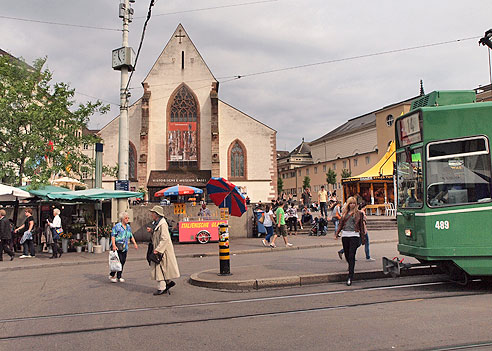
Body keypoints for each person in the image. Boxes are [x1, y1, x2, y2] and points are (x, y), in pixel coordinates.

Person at [148, 205, 180, 295]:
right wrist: (152, 231)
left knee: (160, 268)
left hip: (162, 251)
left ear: (157, 214)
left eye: (153, 213)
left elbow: (165, 238)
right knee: (162, 268)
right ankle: (168, 282)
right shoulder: (158, 223)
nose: (151, 215)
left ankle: (162, 287)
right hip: (161, 249)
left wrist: (158, 249)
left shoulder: (162, 224)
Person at [335, 197, 366, 286]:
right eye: (351, 203)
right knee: (347, 255)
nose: (352, 205)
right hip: (345, 235)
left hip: (354, 235)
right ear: (348, 204)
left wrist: (363, 237)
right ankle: (350, 266)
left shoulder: (359, 213)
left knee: (352, 255)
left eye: (354, 203)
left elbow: (361, 226)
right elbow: (341, 224)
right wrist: (337, 233)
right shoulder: (344, 213)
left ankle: (350, 277)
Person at [109, 212, 138, 283]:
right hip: (117, 246)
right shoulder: (117, 226)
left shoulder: (128, 227)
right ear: (122, 219)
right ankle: (112, 275)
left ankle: (119, 276)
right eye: (126, 218)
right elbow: (113, 236)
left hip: (124, 247)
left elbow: (131, 235)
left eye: (128, 218)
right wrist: (113, 245)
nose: (127, 219)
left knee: (122, 261)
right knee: (117, 262)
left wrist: (135, 243)